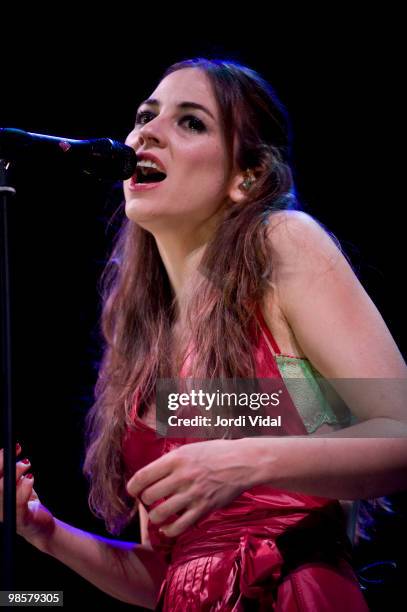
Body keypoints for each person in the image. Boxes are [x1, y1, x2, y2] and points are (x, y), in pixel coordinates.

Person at [2, 57, 407, 611]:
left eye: (190, 122)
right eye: (145, 115)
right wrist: (43, 530)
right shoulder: (142, 340)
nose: (146, 132)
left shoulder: (282, 244)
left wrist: (248, 463)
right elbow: (172, 574)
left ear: (247, 178)